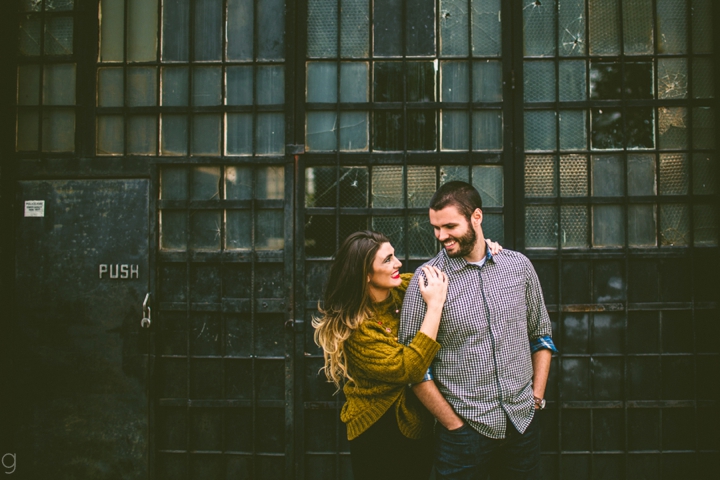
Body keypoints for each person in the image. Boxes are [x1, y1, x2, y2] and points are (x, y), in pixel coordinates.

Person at [399, 181, 558, 480]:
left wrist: (536, 398)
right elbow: (414, 367)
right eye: (436, 228)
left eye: (449, 226)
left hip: (522, 424)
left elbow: (541, 337)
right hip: (464, 432)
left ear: (476, 217)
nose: (441, 236)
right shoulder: (426, 281)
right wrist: (452, 424)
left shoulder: (518, 267)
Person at [312, 230, 502, 480]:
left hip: (416, 422)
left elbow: (448, 276)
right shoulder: (356, 328)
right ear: (366, 275)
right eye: (387, 259)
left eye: (394, 256)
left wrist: (478, 248)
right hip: (378, 430)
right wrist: (434, 307)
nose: (398, 263)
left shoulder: (404, 288)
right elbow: (410, 368)